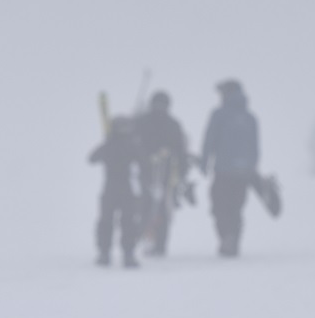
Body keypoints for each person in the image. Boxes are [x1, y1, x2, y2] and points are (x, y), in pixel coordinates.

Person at [199, 80, 259, 257]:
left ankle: (226, 238)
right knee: (236, 208)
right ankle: (234, 241)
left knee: (219, 206)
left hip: (223, 170)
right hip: (244, 172)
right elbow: (255, 147)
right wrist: (252, 167)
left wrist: (204, 162)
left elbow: (209, 139)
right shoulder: (250, 118)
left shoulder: (219, 115)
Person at [135, 91, 191, 257]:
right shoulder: (143, 122)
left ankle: (158, 243)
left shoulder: (168, 124)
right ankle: (148, 239)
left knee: (160, 207)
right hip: (147, 171)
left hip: (165, 173)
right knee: (148, 206)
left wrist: (182, 170)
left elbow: (180, 149)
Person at [89, 116, 144, 268]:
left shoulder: (113, 145)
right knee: (120, 222)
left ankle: (113, 254)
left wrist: (107, 145)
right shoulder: (129, 144)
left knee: (114, 222)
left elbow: (92, 158)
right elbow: (92, 159)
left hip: (114, 188)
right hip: (120, 188)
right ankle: (117, 254)